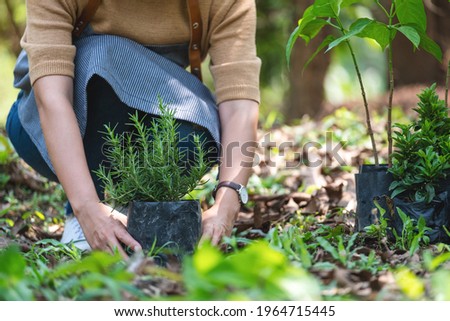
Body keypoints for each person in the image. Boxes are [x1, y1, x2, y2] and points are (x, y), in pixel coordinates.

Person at [6, 0, 260, 258]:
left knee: (197, 131)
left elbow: (240, 106)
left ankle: (130, 211)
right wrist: (85, 206)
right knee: (103, 56)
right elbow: (52, 98)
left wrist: (227, 201)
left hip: (148, 109)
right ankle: (87, 213)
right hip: (40, 125)